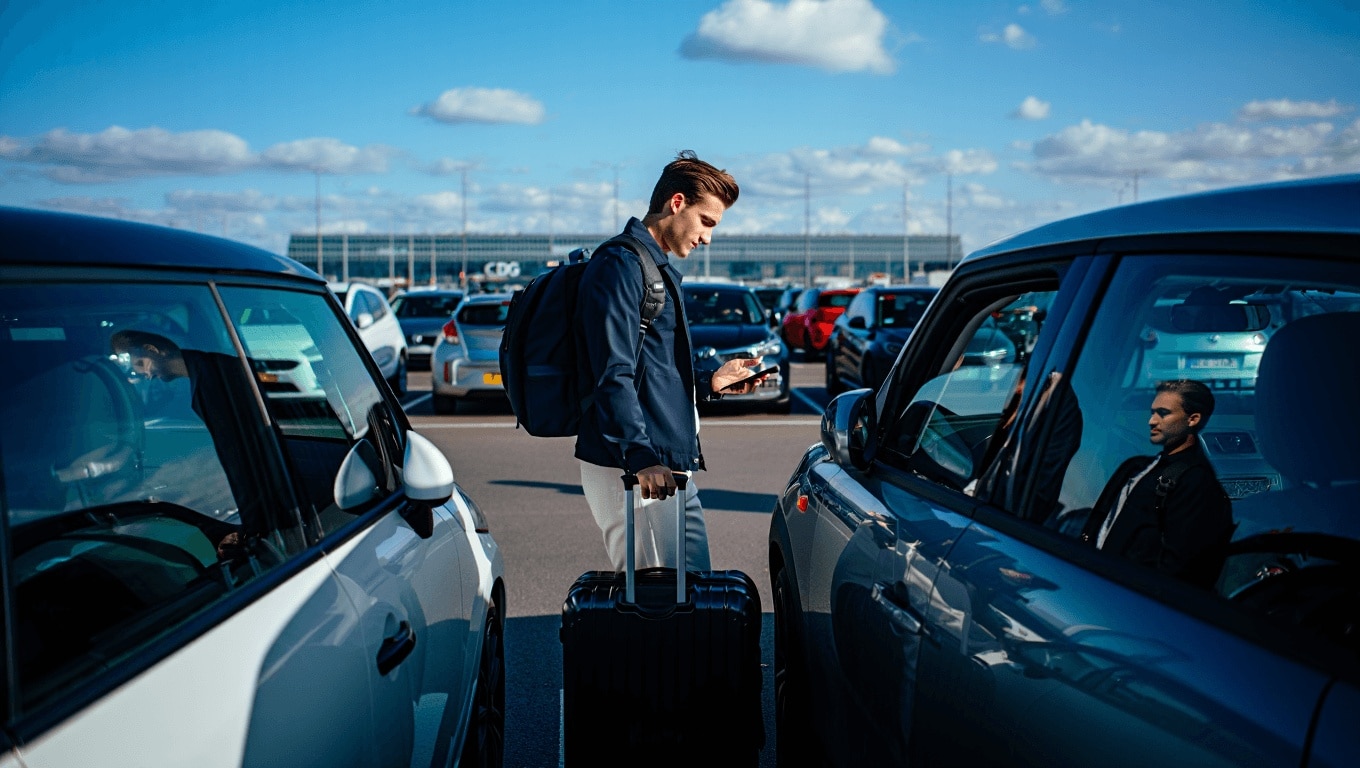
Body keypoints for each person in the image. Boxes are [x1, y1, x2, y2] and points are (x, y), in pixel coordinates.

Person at [574, 150, 765, 572]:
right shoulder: (621, 266)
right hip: (633, 465)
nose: (708, 238)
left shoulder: (653, 267)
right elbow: (612, 371)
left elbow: (656, 365)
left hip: (666, 464)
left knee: (692, 593)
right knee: (653, 602)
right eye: (707, 222)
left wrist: (710, 379)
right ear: (676, 203)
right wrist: (638, 455)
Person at [1081, 379, 1234, 589]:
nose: (1151, 421)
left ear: (1193, 419)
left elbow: (1177, 570)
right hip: (1093, 583)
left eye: (1163, 413)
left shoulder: (1195, 482)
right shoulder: (1137, 467)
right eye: (1152, 412)